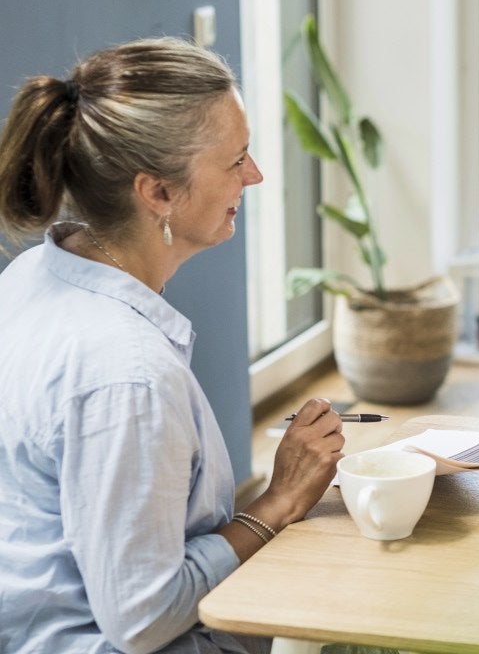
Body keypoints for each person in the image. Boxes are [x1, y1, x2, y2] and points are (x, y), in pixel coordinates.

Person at [0, 37, 346, 653]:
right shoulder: (124, 372)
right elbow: (143, 619)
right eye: (237, 158)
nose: (256, 174)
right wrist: (279, 501)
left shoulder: (33, 273)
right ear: (158, 193)